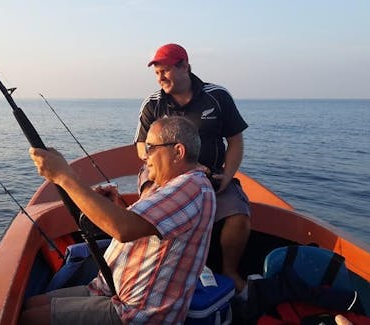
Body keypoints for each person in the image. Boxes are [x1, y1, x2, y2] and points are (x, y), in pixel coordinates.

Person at [21, 116, 216, 325]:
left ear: (178, 151)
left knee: (31, 318)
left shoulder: (191, 187)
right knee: (32, 304)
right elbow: (145, 230)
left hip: (136, 312)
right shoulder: (171, 186)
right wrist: (117, 209)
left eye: (150, 147)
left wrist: (63, 176)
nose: (145, 156)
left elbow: (123, 229)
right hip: (110, 290)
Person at [134, 43, 250, 294]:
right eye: (156, 73)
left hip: (211, 175)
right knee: (147, 210)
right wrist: (173, 167)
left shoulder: (217, 97)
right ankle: (152, 267)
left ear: (184, 66)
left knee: (239, 218)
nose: (160, 78)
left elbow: (235, 140)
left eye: (165, 71)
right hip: (162, 174)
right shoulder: (152, 104)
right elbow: (142, 147)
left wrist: (227, 177)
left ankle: (229, 270)